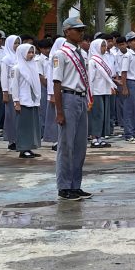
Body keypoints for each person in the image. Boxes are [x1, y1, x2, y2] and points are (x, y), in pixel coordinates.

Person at [52, 17, 93, 201]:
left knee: (79, 146)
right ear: (67, 31)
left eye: (82, 29)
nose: (81, 33)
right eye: (77, 30)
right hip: (67, 98)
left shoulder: (81, 53)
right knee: (66, 146)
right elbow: (57, 84)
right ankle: (64, 187)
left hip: (81, 98)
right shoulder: (61, 54)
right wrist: (59, 111)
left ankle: (75, 185)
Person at [11, 43, 42, 158]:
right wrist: (16, 101)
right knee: (23, 126)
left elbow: (36, 84)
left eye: (32, 52)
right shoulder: (17, 67)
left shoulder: (33, 65)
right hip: (23, 100)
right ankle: (23, 149)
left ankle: (29, 147)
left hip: (33, 100)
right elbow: (14, 86)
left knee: (32, 125)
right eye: (29, 52)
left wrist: (38, 99)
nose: (31, 55)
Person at [87, 39, 115, 148]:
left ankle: (101, 137)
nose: (104, 48)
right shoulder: (92, 61)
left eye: (105, 46)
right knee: (97, 115)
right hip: (96, 92)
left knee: (104, 115)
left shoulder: (105, 59)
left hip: (105, 91)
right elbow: (90, 79)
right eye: (102, 46)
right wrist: (91, 94)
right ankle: (94, 138)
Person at [43, 38, 66, 151]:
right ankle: (55, 141)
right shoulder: (54, 58)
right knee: (54, 117)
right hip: (54, 92)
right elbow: (51, 77)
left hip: (63, 91)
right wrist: (52, 93)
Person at [1, 35, 21, 150]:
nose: (17, 45)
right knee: (11, 117)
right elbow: (4, 76)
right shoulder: (6, 59)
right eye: (15, 43)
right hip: (10, 91)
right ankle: (11, 140)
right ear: (9, 44)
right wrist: (5, 92)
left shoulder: (21, 56)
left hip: (20, 91)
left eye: (19, 43)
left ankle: (19, 139)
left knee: (19, 117)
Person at [35, 38, 53, 134]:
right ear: (40, 49)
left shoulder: (52, 57)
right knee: (43, 109)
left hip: (52, 85)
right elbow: (40, 76)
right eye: (45, 48)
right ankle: (42, 131)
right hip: (44, 86)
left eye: (49, 48)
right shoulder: (39, 60)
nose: (47, 50)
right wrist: (47, 86)